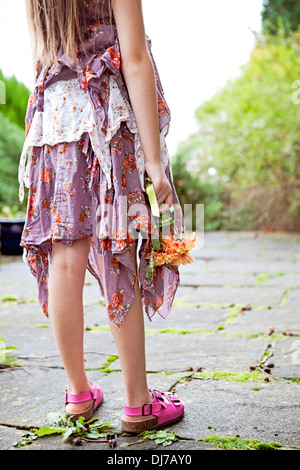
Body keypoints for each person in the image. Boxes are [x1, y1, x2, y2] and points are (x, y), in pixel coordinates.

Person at [19, 0, 185, 433]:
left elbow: (43, 53)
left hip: (54, 117)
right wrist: (152, 160)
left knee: (64, 252)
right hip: (105, 115)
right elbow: (133, 57)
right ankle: (138, 403)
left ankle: (78, 393)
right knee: (118, 245)